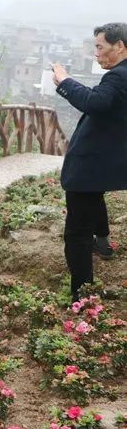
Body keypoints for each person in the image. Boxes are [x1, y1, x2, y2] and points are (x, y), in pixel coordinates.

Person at [52, 22, 127, 302]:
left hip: (92, 164)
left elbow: (94, 103)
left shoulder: (118, 77)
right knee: (94, 201)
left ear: (119, 46)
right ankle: (104, 245)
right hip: (103, 163)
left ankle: (81, 296)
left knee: (77, 233)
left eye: (100, 46)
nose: (96, 53)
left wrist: (65, 82)